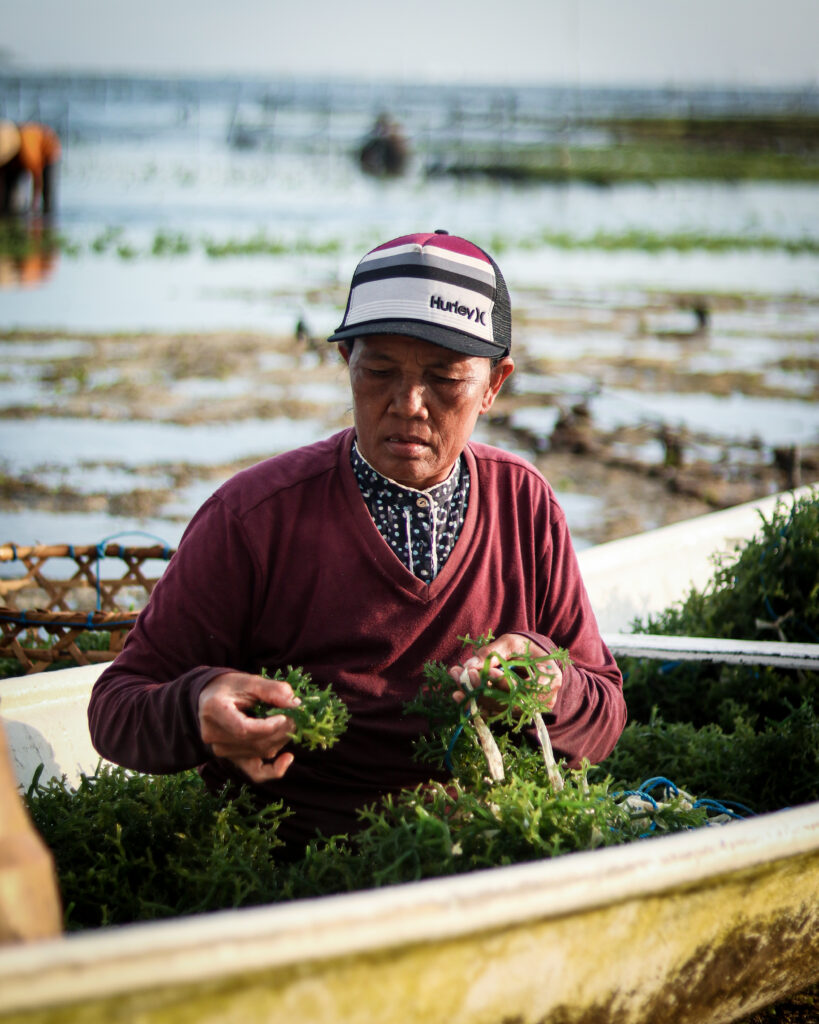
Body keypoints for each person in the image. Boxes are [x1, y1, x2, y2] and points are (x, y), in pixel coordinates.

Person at [88, 229, 625, 852]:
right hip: (294, 857)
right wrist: (198, 708)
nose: (408, 404)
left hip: (481, 841)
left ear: (494, 384)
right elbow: (117, 707)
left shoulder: (525, 504)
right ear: (346, 363)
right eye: (379, 371)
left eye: (445, 379)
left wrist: (549, 681)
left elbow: (605, 712)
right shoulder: (255, 516)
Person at [0, 122, 61, 215]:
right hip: (15, 163)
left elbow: (37, 179)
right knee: (8, 200)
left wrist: (34, 208)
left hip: (47, 157)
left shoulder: (28, 151)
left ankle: (46, 215)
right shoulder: (6, 144)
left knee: (47, 196)